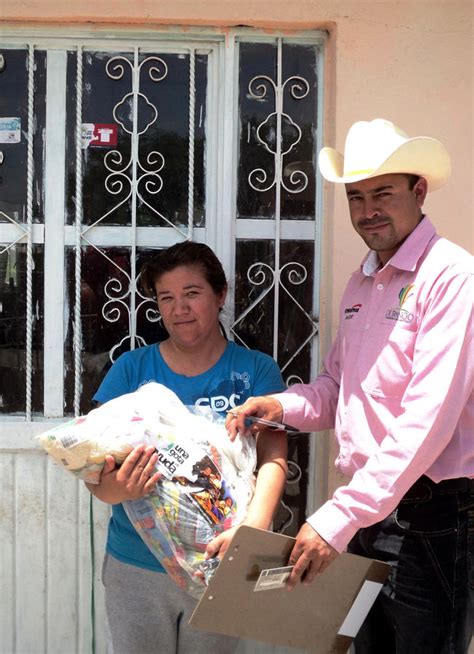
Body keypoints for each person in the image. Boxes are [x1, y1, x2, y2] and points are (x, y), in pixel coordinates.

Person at [226, 118, 473, 653]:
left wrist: (336, 516)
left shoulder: (452, 277)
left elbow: (426, 422)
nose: (367, 211)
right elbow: (339, 388)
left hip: (432, 519)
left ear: (419, 191)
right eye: (355, 197)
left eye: (383, 193)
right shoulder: (363, 280)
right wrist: (278, 406)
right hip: (371, 514)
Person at [87, 241, 288, 654]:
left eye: (192, 293)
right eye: (167, 298)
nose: (179, 309)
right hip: (137, 566)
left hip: (222, 561)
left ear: (220, 295)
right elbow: (96, 472)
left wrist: (252, 531)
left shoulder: (255, 371)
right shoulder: (132, 370)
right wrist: (119, 489)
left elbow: (274, 457)